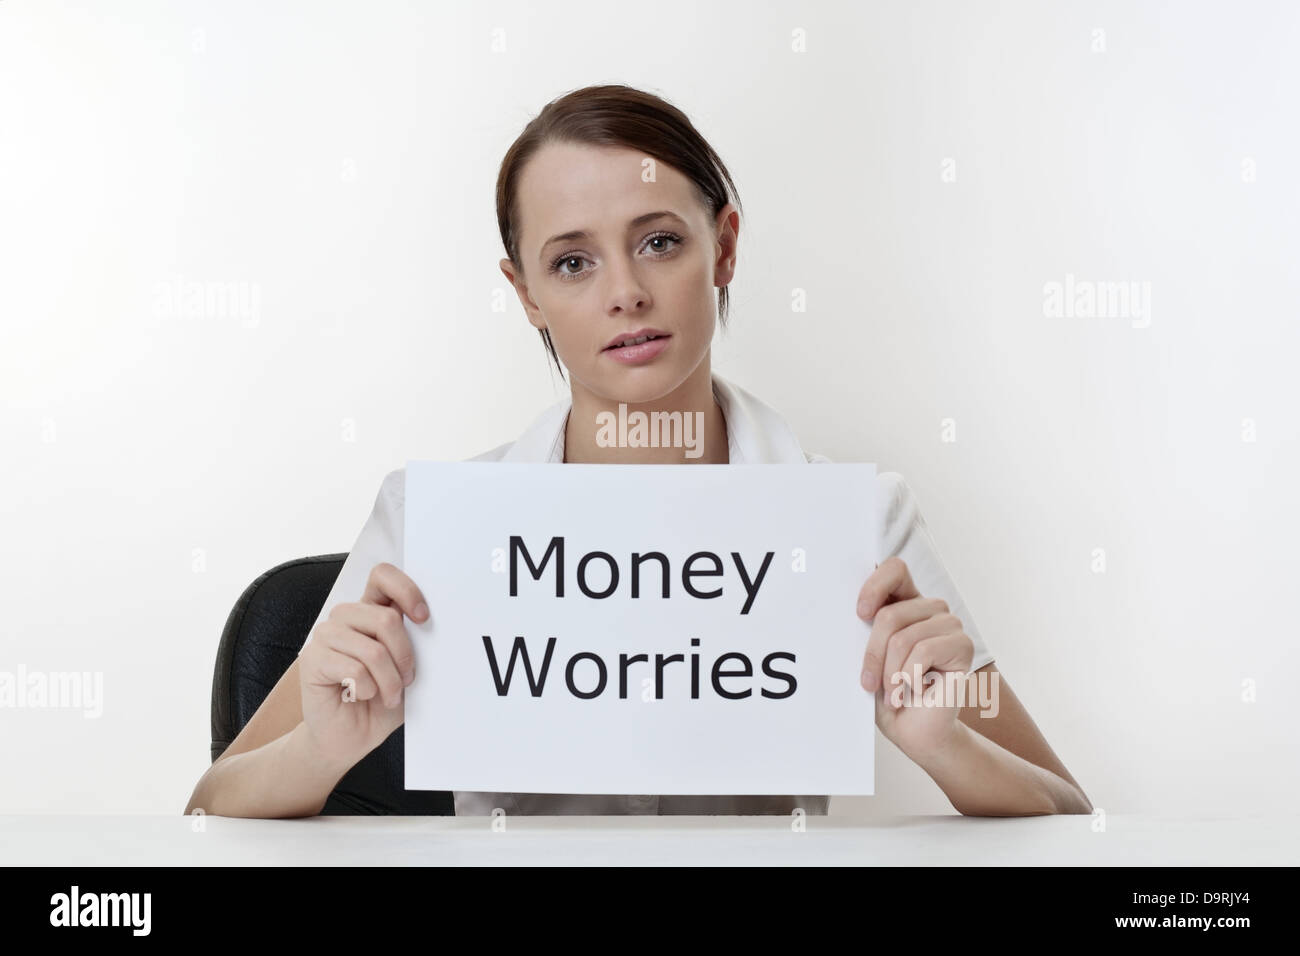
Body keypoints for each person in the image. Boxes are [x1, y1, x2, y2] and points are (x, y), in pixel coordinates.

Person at [185, 84, 1091, 819]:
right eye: (572, 263)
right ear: (527, 293)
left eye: (659, 242)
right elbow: (212, 807)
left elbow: (1067, 808)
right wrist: (322, 749)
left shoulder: (856, 519)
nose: (625, 293)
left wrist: (944, 742)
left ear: (722, 248)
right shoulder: (434, 521)